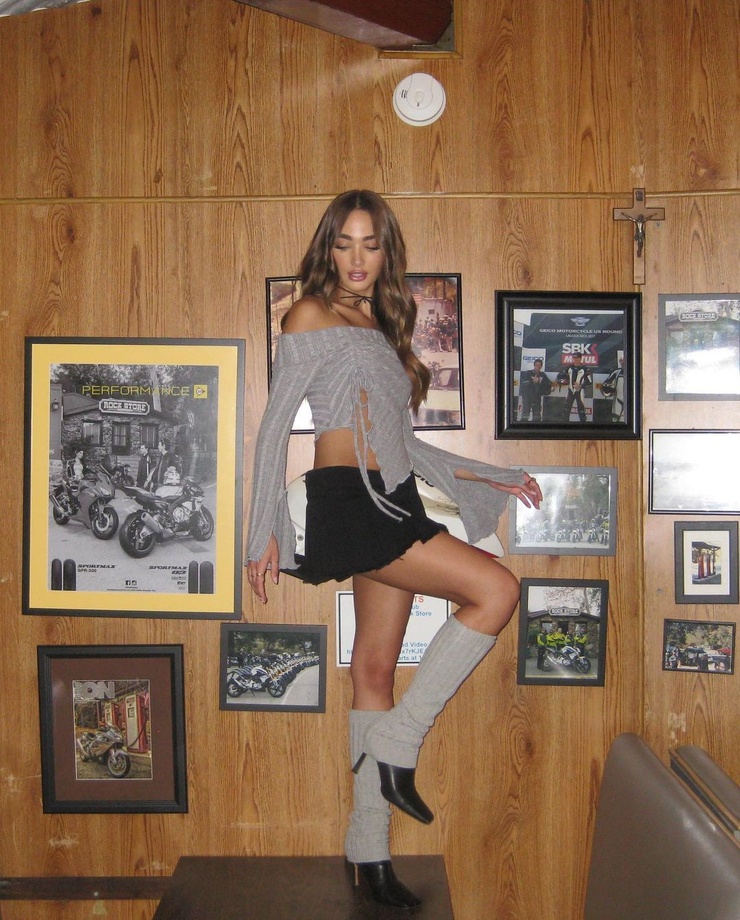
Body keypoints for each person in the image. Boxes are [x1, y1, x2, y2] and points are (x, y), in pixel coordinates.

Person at [244, 190, 542, 910]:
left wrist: (491, 475)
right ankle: (399, 742)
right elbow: (275, 428)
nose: (356, 257)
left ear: (386, 252)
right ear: (328, 248)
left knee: (374, 669)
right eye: (344, 242)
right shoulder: (309, 314)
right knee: (496, 590)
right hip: (348, 501)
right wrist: (262, 532)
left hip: (394, 496)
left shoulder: (381, 327)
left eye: (370, 244)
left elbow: (404, 445)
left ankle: (369, 849)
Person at [558, 353, 591, 422]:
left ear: (580, 358)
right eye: (574, 358)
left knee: (581, 411)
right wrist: (562, 381)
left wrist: (581, 386)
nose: (575, 359)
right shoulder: (569, 367)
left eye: (577, 358)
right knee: (566, 410)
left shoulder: (585, 369)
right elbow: (561, 376)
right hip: (570, 391)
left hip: (579, 392)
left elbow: (590, 382)